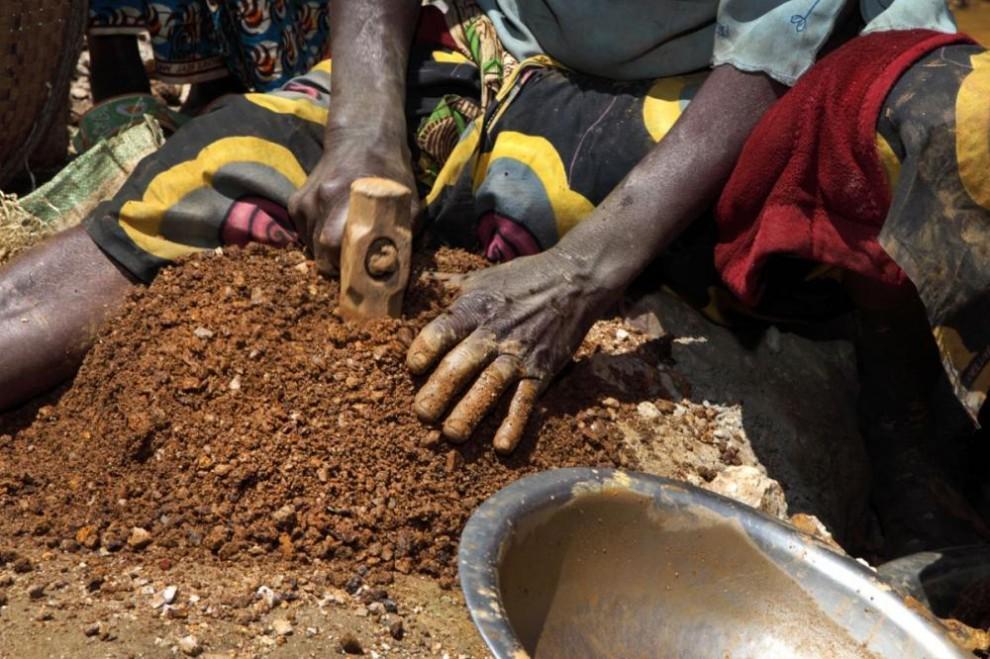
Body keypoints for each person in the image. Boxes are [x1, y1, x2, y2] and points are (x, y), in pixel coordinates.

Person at [0, 0, 969, 460]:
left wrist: (581, 273)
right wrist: (369, 125)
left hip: (729, 97)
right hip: (510, 61)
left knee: (960, 124)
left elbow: (769, 50)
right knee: (209, 177)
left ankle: (928, 469)